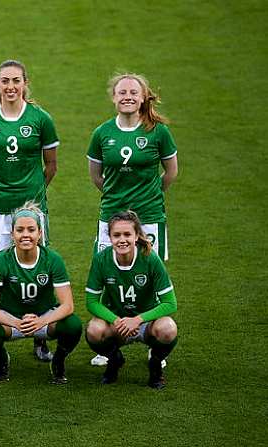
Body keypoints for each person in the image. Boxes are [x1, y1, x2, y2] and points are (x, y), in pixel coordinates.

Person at [0, 60, 59, 363]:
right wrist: (0, 189)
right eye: (5, 81)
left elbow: (51, 166)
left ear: (25, 82)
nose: (10, 86)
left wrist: (31, 195)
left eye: (16, 80)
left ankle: (41, 335)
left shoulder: (40, 119)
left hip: (32, 207)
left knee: (38, 267)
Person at [87, 73, 178, 366]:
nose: (127, 96)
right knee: (109, 276)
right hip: (110, 216)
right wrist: (119, 204)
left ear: (142, 97)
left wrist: (148, 196)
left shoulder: (158, 132)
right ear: (114, 97)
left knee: (149, 276)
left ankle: (153, 342)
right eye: (122, 92)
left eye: (133, 92)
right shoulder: (102, 133)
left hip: (150, 217)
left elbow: (171, 172)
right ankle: (110, 344)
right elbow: (96, 176)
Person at [0, 203, 82, 384]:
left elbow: (68, 305)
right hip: (12, 320)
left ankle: (58, 360)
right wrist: (17, 323)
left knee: (73, 325)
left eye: (31, 230)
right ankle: (2, 358)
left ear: (40, 233)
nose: (25, 234)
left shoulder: (52, 259)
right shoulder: (1, 261)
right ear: (12, 234)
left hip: (43, 318)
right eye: (20, 230)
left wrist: (41, 321)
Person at [85, 211, 178, 389]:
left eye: (127, 234)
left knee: (168, 328)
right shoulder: (101, 260)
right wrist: (116, 320)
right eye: (116, 235)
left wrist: (137, 320)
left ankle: (156, 365)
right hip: (117, 324)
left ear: (136, 236)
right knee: (94, 330)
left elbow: (170, 303)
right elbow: (91, 302)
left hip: (147, 323)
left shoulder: (150, 258)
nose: (122, 240)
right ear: (109, 237)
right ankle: (114, 360)